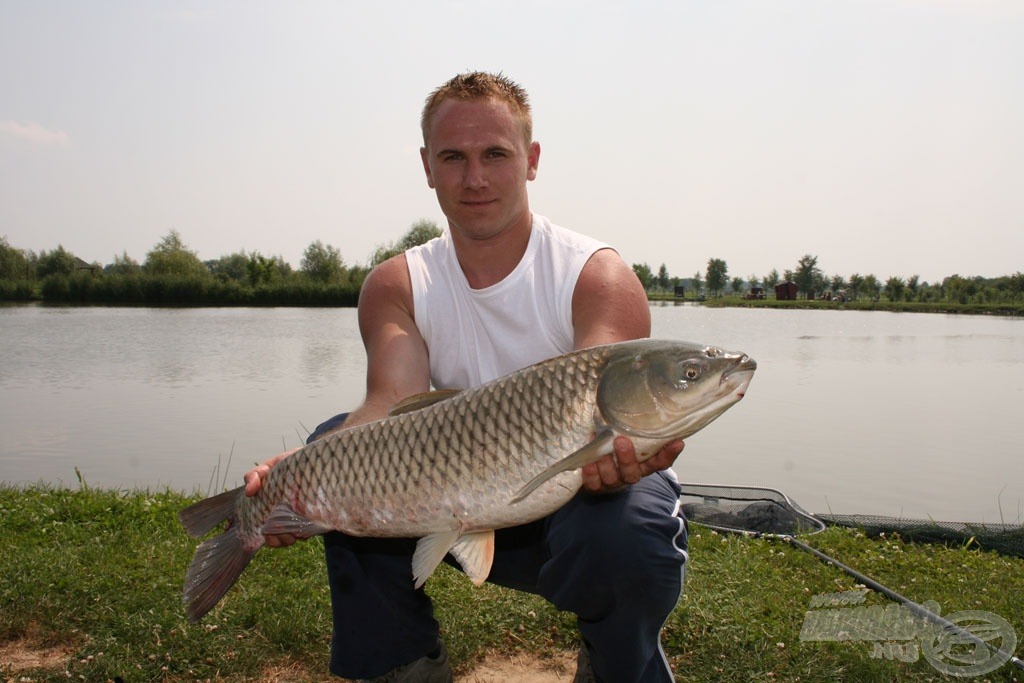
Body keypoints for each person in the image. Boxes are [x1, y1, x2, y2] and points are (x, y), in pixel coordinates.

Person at [244, 71, 687, 683]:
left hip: (576, 504)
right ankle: (404, 667)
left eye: (495, 156)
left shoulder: (595, 275)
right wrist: (312, 467)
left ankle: (615, 662)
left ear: (530, 160)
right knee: (334, 440)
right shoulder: (397, 283)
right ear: (427, 166)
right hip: (442, 498)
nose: (474, 178)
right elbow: (391, 402)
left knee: (632, 530)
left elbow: (612, 400)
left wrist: (627, 454)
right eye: (453, 157)